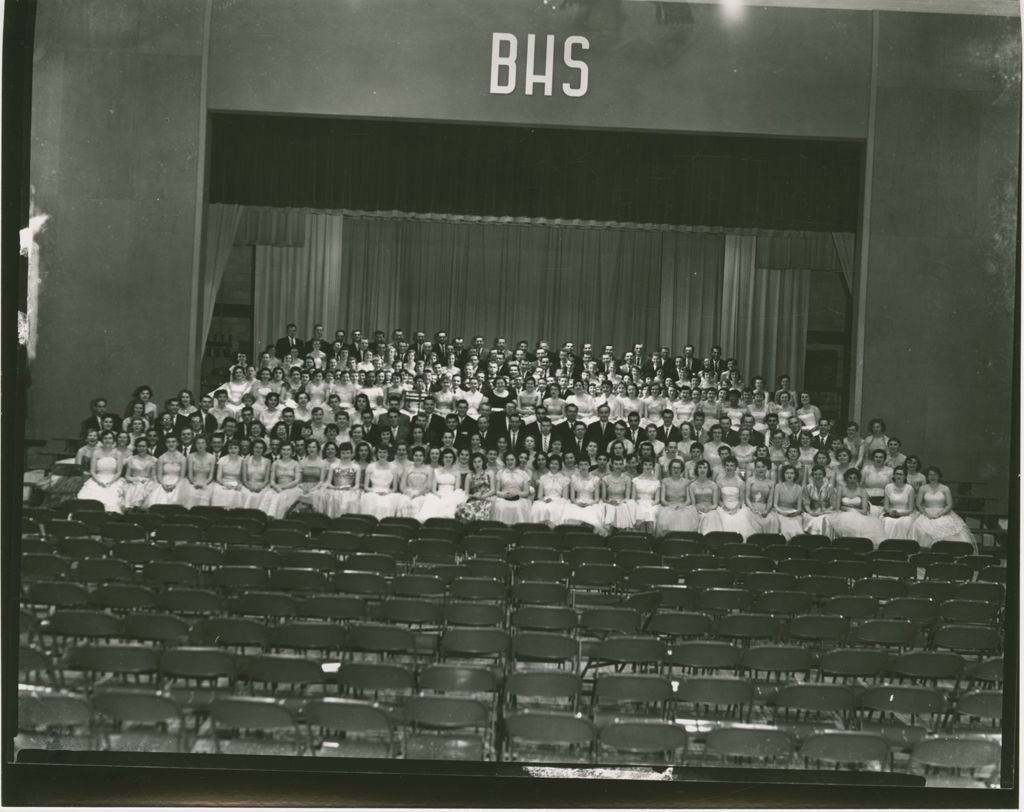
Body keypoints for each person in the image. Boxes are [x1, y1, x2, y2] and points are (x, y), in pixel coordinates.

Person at [912, 467, 976, 549]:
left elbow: (949, 505)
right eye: (930, 475)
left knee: (947, 527)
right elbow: (918, 503)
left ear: (939, 476)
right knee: (921, 528)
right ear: (927, 476)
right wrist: (926, 514)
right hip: (926, 513)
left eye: (935, 475)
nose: (932, 477)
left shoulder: (945, 488)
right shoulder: (923, 488)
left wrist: (939, 515)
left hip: (943, 512)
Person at [826, 468, 885, 546]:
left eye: (855, 478)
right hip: (842, 515)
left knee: (857, 523)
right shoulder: (841, 490)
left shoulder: (862, 491)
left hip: (859, 515)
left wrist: (848, 509)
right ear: (846, 479)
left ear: (858, 479)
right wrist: (845, 510)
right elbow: (837, 508)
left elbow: (864, 511)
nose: (852, 480)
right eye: (850, 478)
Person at [700, 456, 756, 538]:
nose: (729, 467)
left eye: (732, 465)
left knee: (740, 518)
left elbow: (741, 500)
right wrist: (723, 506)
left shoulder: (740, 482)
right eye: (727, 465)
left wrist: (736, 508)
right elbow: (718, 499)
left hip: (737, 507)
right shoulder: (719, 481)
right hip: (724, 507)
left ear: (735, 467)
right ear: (724, 467)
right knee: (717, 517)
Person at [655, 458, 699, 536]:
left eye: (678, 468)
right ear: (670, 469)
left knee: (684, 519)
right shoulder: (665, 481)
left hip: (682, 507)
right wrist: (670, 506)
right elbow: (662, 499)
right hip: (668, 506)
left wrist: (682, 506)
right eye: (674, 468)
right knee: (666, 519)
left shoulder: (686, 482)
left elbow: (688, 500)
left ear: (681, 469)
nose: (676, 470)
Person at [563, 459, 606, 534]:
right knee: (571, 514)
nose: (583, 467)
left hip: (591, 503)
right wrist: (577, 503)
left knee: (592, 514)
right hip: (577, 502)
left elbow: (596, 499)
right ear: (578, 466)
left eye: (586, 464)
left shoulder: (595, 479)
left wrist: (589, 504)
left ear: (589, 466)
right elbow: (572, 498)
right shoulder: (574, 478)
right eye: (581, 465)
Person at [492, 452, 532, 525]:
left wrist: (516, 494)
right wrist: (504, 494)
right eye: (507, 460)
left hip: (519, 498)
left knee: (518, 508)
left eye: (512, 460)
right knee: (501, 507)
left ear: (516, 460)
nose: (509, 462)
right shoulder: (500, 473)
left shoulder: (524, 474)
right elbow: (497, 491)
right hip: (504, 497)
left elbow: (526, 492)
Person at [146, 435, 186, 507]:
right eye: (168, 442)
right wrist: (163, 484)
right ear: (166, 444)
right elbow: (159, 475)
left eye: (173, 442)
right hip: (163, 482)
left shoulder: (182, 458)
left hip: (178, 482)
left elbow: (182, 476)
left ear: (177, 443)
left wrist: (175, 485)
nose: (171, 444)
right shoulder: (161, 458)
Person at [455, 452, 496, 523]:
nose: (477, 464)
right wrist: (474, 496)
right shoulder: (469, 475)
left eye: (479, 461)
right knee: (460, 510)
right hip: (474, 499)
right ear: (472, 463)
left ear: (483, 462)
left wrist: (483, 496)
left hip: (487, 498)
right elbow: (466, 493)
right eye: (474, 462)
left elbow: (493, 490)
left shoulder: (490, 473)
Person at [882, 465, 918, 540]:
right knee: (888, 521)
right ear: (894, 475)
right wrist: (890, 512)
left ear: (905, 477)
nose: (898, 476)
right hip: (891, 512)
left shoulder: (909, 488)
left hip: (905, 513)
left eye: (901, 474)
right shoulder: (888, 487)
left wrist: (900, 514)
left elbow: (911, 509)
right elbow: (886, 506)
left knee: (905, 522)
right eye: (897, 474)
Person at [601, 456, 636, 532]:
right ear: (612, 465)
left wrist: (620, 503)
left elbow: (627, 497)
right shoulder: (605, 479)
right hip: (609, 502)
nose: (618, 466)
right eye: (616, 464)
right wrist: (610, 502)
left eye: (620, 464)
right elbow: (603, 498)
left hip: (622, 502)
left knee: (623, 508)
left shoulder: (627, 479)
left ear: (623, 466)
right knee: (609, 509)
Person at [745, 458, 779, 534]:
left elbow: (770, 501)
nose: (761, 469)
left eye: (763, 467)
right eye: (758, 467)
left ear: (767, 468)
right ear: (755, 468)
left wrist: (766, 510)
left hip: (764, 506)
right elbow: (747, 497)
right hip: (751, 506)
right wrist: (752, 508)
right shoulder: (750, 480)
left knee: (771, 519)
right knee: (749, 518)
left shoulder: (771, 483)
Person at [211, 440, 248, 509]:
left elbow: (243, 478)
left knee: (238, 493)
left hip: (237, 482)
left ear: (239, 449)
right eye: (231, 448)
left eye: (235, 448)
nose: (233, 450)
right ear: (228, 449)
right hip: (223, 482)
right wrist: (225, 484)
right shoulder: (222, 459)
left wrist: (240, 485)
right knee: (218, 491)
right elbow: (218, 478)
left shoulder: (242, 461)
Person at [771, 464, 805, 540]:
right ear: (783, 475)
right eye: (787, 473)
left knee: (796, 523)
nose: (789, 475)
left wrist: (795, 513)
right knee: (784, 523)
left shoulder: (799, 488)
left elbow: (799, 507)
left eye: (792, 473)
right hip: (780, 511)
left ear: (795, 475)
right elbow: (775, 505)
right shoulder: (778, 486)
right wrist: (782, 512)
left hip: (792, 511)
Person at [121, 438, 157, 510]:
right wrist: (137, 479)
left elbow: (153, 476)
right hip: (133, 481)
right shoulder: (131, 459)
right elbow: (127, 476)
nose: (141, 448)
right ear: (136, 447)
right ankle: (131, 509)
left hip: (147, 483)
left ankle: (140, 509)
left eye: (143, 446)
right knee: (134, 488)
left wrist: (147, 482)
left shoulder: (153, 460)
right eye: (139, 446)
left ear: (147, 447)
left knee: (144, 489)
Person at [802, 464, 836, 536]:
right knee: (809, 519)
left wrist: (824, 512)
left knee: (823, 520)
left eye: (820, 474)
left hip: (827, 511)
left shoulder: (830, 488)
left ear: (824, 475)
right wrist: (811, 512)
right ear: (812, 475)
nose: (818, 476)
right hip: (813, 511)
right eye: (815, 474)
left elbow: (833, 504)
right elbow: (806, 503)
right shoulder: (808, 488)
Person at [630, 458, 661, 533]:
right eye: (645, 464)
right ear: (642, 466)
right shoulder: (635, 480)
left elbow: (657, 499)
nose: (648, 466)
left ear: (653, 467)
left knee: (650, 512)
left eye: (650, 465)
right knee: (641, 511)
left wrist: (650, 504)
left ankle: (650, 538)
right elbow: (633, 498)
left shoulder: (656, 482)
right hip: (638, 503)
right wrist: (638, 504)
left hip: (651, 504)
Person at [183, 435, 216, 507]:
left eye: (203, 443)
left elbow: (211, 476)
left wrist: (204, 484)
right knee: (191, 493)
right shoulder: (190, 456)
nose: (200, 445)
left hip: (207, 482)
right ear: (195, 445)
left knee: (207, 493)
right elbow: (190, 475)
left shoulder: (212, 457)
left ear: (206, 445)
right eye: (198, 443)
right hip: (193, 482)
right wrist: (195, 483)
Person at [861, 449, 894, 515]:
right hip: (867, 499)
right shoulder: (866, 469)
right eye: (876, 457)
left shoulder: (890, 470)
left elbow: (892, 488)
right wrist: (864, 498)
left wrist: (887, 499)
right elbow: (860, 485)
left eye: (881, 457)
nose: (878, 459)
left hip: (884, 499)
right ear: (873, 458)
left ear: (884, 459)